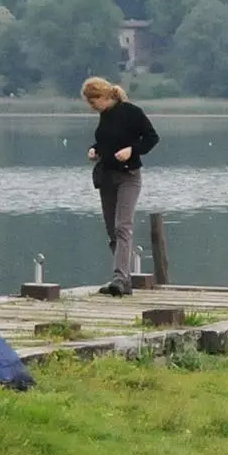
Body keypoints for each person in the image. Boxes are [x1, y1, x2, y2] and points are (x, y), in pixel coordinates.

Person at [81, 77, 160, 296]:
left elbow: (152, 138)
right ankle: (123, 281)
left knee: (122, 226)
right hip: (107, 176)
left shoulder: (131, 112)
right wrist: (94, 150)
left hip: (128, 176)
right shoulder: (104, 116)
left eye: (93, 101)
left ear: (104, 96)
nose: (92, 106)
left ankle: (118, 277)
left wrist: (132, 150)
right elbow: (106, 141)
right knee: (111, 230)